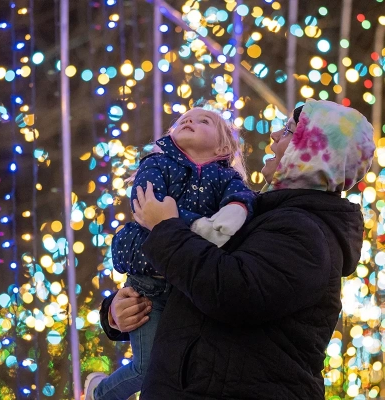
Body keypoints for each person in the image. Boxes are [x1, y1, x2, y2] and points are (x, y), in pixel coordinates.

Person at [98, 99, 375, 399]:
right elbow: (194, 279)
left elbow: (232, 292)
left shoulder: (306, 232)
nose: (273, 137)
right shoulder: (257, 214)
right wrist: (119, 311)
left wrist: (166, 228)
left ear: (313, 153)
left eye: (287, 131)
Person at [84, 107, 256, 400]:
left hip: (187, 288)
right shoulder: (158, 163)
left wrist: (235, 211)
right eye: (183, 119)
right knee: (146, 367)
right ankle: (99, 393)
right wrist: (199, 225)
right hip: (147, 289)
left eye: (205, 121)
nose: (190, 120)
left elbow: (241, 200)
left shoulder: (227, 177)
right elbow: (151, 204)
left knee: (173, 368)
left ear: (223, 146)